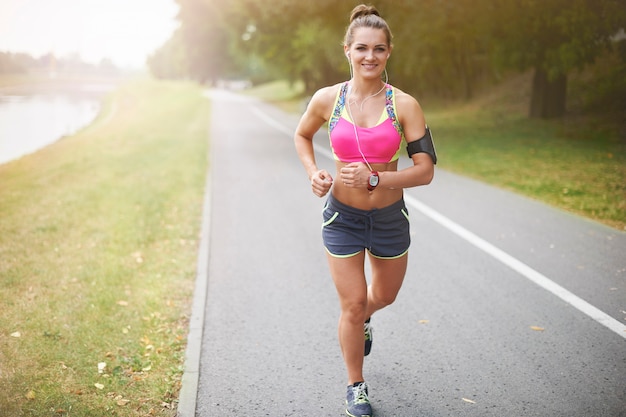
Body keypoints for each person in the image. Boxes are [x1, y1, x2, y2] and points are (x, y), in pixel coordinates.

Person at [294, 4, 436, 417]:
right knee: (352, 304)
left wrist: (378, 179)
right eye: (361, 48)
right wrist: (314, 173)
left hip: (390, 218)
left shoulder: (405, 105)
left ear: (389, 52)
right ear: (347, 51)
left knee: (382, 297)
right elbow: (302, 136)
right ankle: (356, 386)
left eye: (378, 49)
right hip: (343, 217)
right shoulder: (327, 99)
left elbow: (425, 171)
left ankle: (365, 318)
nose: (369, 56)